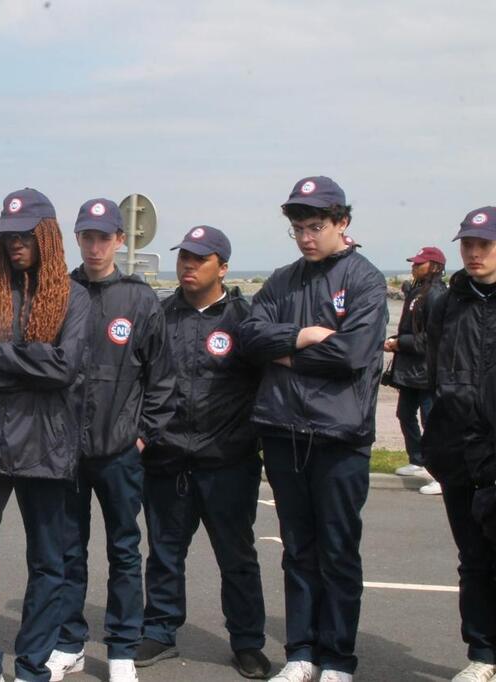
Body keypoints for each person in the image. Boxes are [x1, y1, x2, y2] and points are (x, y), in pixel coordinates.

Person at [238, 176, 388, 682]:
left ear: (342, 223)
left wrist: (284, 358)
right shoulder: (281, 280)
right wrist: (299, 336)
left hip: (340, 436)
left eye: (315, 226)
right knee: (297, 548)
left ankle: (338, 659)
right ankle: (301, 653)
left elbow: (352, 354)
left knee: (338, 550)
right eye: (298, 228)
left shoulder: (364, 279)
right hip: (283, 431)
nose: (305, 236)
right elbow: (248, 338)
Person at [0, 187, 90, 682]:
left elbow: (66, 368)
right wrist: (28, 356)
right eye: (8, 234)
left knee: (49, 564)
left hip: (46, 448)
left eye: (25, 233)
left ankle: (32, 667)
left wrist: (0, 354)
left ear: (47, 234)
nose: (15, 242)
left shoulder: (75, 299)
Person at [44, 198, 174, 682]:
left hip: (120, 451)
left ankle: (121, 647)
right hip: (66, 451)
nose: (95, 246)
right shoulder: (61, 292)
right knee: (67, 550)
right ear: (76, 239)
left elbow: (162, 379)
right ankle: (68, 642)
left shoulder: (139, 300)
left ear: (121, 239)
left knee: (123, 549)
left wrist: (142, 438)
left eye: (104, 237)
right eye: (87, 236)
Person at [138, 226, 269, 679]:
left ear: (223, 267)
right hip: (167, 458)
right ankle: (159, 629)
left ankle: (248, 641)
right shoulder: (159, 316)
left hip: (227, 462)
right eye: (184, 258)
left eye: (200, 259)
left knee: (236, 556)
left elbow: (264, 386)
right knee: (164, 551)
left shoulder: (244, 320)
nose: (188, 266)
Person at [422, 207, 496, 682]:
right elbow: (434, 370)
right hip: (457, 450)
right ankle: (484, 655)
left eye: (484, 244)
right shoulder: (447, 303)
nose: (473, 252)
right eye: (467, 244)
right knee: (473, 559)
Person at [386, 246, 447, 495]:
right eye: (413, 263)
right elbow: (412, 330)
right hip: (410, 370)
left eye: (419, 263)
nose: (413, 267)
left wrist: (400, 343)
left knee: (431, 421)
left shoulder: (436, 294)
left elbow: (432, 338)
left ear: (433, 266)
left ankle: (440, 474)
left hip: (426, 371)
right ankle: (418, 459)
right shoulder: (416, 291)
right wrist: (397, 339)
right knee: (404, 414)